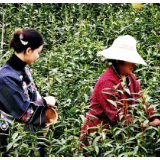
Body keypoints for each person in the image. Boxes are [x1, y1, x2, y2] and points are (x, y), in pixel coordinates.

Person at [79, 35, 160, 147]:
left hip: (117, 135)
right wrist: (145, 124)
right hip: (97, 136)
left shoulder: (130, 77)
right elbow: (117, 118)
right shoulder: (107, 82)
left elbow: (141, 99)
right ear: (118, 59)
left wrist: (154, 116)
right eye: (130, 59)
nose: (134, 64)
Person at [0, 28, 58, 156]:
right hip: (13, 141)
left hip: (27, 134)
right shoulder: (5, 78)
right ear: (28, 51)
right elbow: (24, 113)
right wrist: (45, 101)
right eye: (38, 52)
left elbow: (32, 90)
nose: (38, 56)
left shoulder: (23, 68)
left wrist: (43, 104)